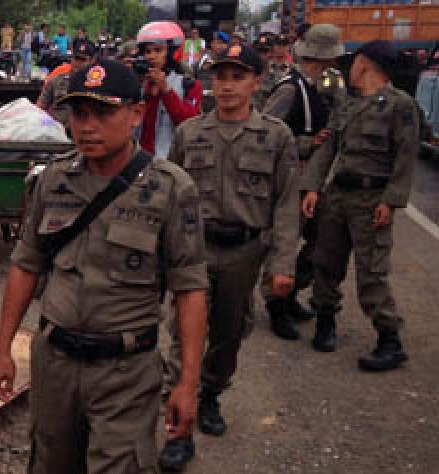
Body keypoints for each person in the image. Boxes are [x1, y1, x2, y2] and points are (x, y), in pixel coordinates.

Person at [0, 59, 208, 474]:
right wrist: (3, 348)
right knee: (50, 461)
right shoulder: (52, 181)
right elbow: (25, 264)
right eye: (79, 114)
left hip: (125, 372)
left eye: (103, 113)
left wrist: (187, 383)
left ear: (136, 114)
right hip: (55, 364)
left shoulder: (170, 189)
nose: (87, 126)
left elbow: (190, 289)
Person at [161, 44, 299, 471]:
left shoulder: (275, 136)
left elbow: (287, 203)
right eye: (220, 76)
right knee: (184, 336)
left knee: (228, 332)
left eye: (237, 76)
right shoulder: (191, 134)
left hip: (244, 252)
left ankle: (211, 395)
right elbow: (168, 195)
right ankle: (178, 428)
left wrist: (282, 264)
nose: (226, 85)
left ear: (257, 82)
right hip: (194, 251)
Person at [301, 40, 419, 371]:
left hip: (372, 200)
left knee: (371, 271)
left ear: (365, 64)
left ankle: (389, 339)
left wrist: (391, 202)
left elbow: (405, 159)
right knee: (326, 261)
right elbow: (328, 149)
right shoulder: (349, 106)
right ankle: (325, 322)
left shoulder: (400, 106)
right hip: (338, 196)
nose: (348, 68)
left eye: (353, 62)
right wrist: (312, 187)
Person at [259, 24, 346, 340]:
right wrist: (307, 143)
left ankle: (291, 290)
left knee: (321, 241)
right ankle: (276, 304)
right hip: (290, 177)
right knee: (282, 242)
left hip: (312, 178)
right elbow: (265, 136)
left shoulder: (317, 86)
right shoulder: (290, 88)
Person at [135, 21, 202, 157]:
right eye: (148, 51)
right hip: (139, 160)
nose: (151, 56)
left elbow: (189, 124)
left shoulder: (189, 85)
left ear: (172, 52)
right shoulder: (139, 85)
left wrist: (166, 90)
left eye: (158, 50)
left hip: (171, 162)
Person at [36, 43, 94, 113]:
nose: (78, 62)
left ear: (90, 62)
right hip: (58, 122)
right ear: (71, 59)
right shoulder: (57, 80)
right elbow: (40, 106)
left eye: (82, 60)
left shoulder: (95, 84)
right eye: (76, 58)